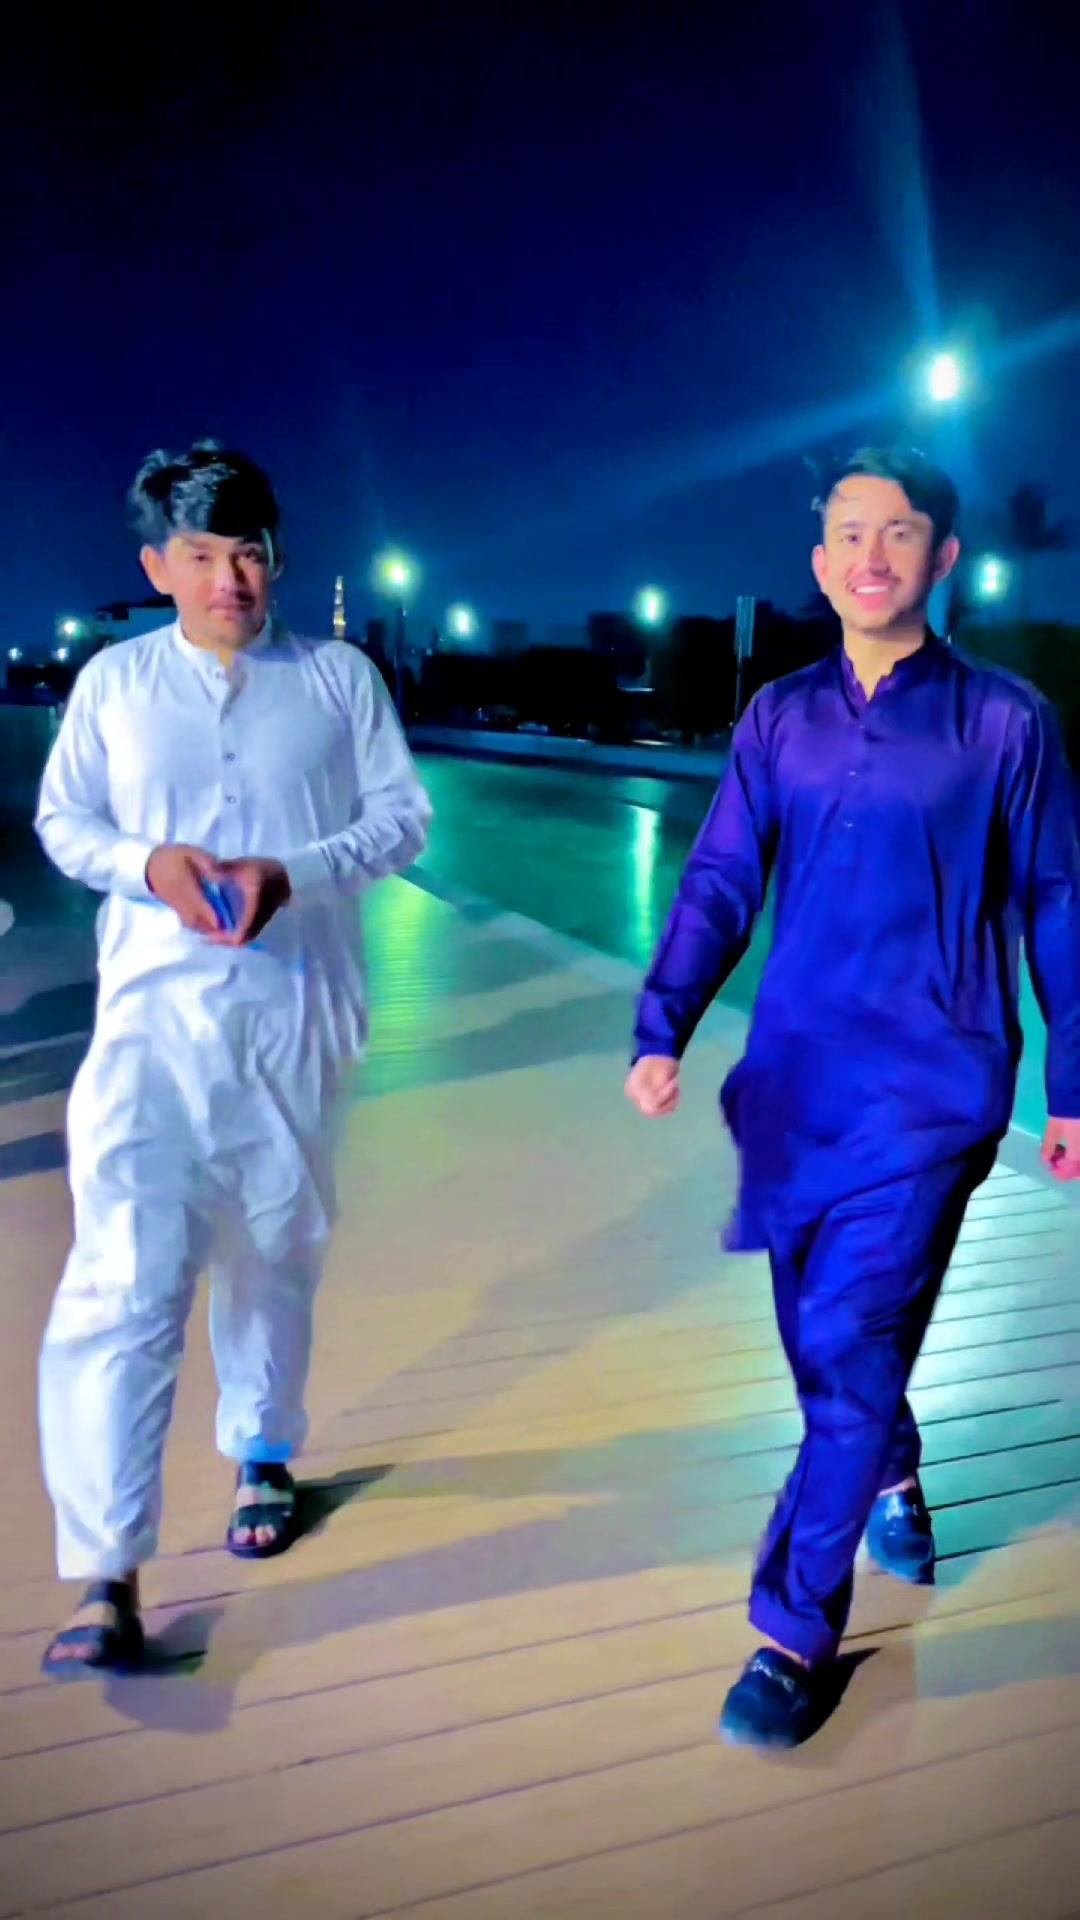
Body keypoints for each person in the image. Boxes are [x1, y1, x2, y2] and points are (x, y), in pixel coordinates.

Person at [626, 446, 1080, 1747]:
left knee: (850, 1328)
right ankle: (890, 1465)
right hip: (795, 1087)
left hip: (937, 1088)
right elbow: (722, 878)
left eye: (900, 531)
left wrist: (1071, 1083)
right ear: (821, 567)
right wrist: (665, 1021)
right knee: (821, 1337)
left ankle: (792, 1632)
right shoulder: (779, 719)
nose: (872, 555)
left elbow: (1060, 900)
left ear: (945, 557)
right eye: (848, 535)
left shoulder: (1007, 724)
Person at [36, 441, 432, 1677]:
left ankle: (264, 1454)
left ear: (278, 558)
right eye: (202, 555)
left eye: (250, 552)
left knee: (274, 1248)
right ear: (157, 565)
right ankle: (106, 1573)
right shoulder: (114, 684)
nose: (231, 580)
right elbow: (65, 821)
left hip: (295, 1015)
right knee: (125, 1277)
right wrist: (146, 865)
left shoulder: (338, 679)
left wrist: (290, 874)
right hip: (146, 1028)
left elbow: (403, 820)